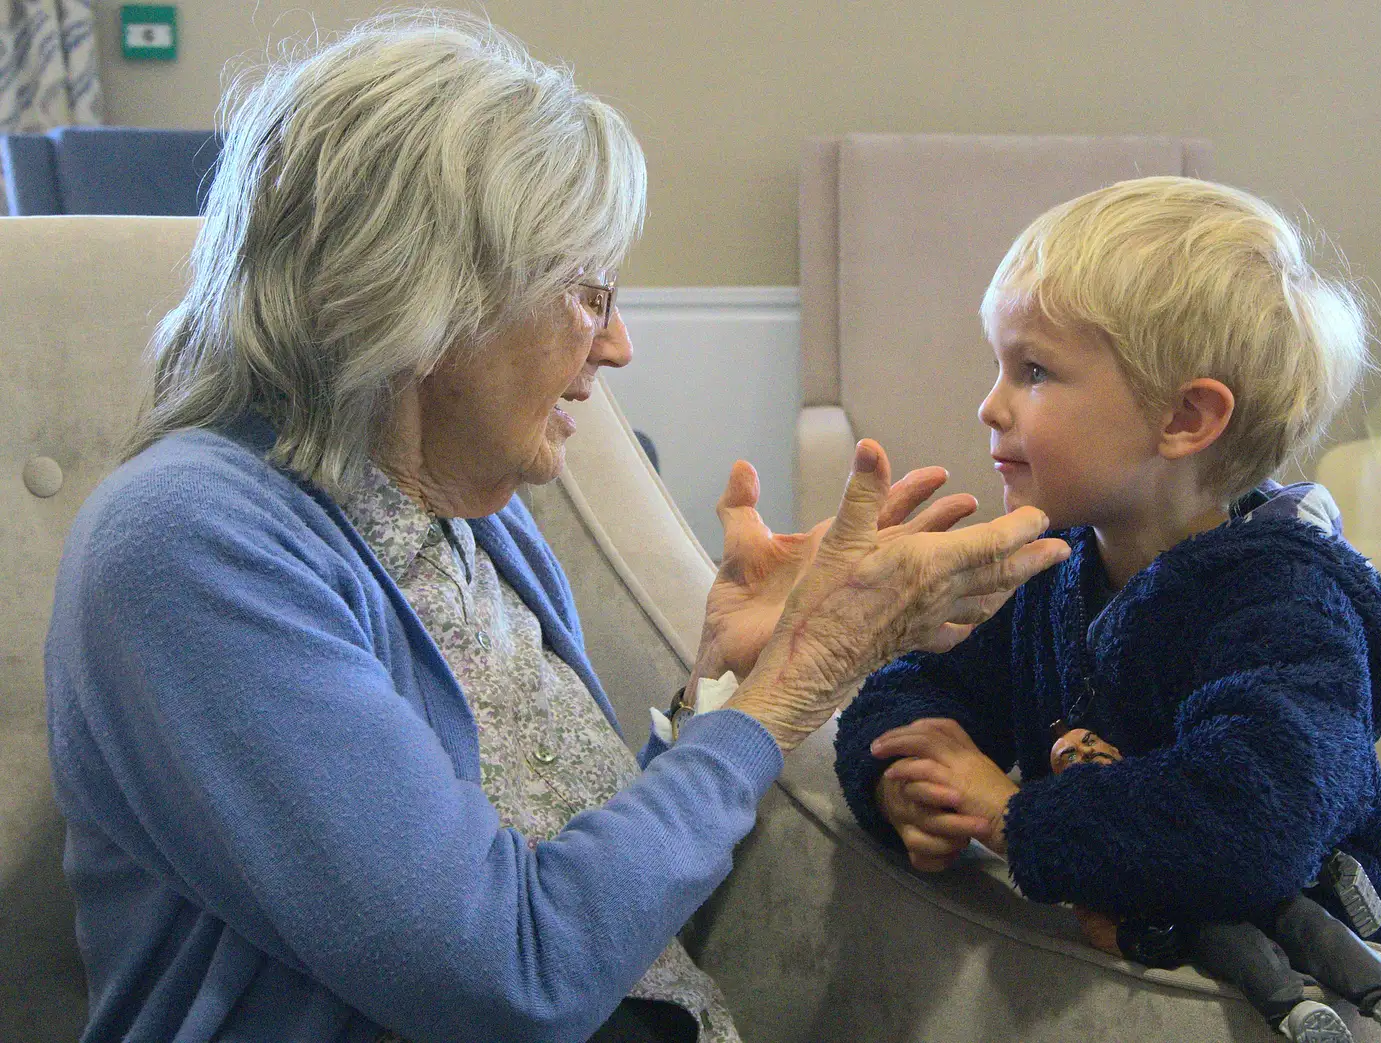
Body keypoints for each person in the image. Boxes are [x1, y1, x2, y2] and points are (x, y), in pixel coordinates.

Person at [42, 13, 1070, 1043]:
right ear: (421, 295)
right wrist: (790, 687)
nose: (616, 343)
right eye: (586, 290)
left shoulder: (471, 513)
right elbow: (507, 974)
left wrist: (718, 684)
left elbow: (601, 910)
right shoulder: (191, 543)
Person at [832, 178, 1381, 1041]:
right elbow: (916, 686)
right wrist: (900, 781)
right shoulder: (1062, 568)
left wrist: (1011, 814)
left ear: (1186, 417)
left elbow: (1251, 824)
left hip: (1300, 1004)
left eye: (1035, 370)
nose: (990, 404)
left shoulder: (1290, 608)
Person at [1049, 729, 1381, 1043]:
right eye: (1069, 757)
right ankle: (1298, 1015)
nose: (1086, 753)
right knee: (1237, 947)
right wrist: (1134, 938)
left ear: (1116, 748)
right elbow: (1091, 917)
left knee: (1311, 922)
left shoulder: (1164, 781)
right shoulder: (1089, 837)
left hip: (1248, 882)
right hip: (1192, 913)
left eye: (1090, 741)